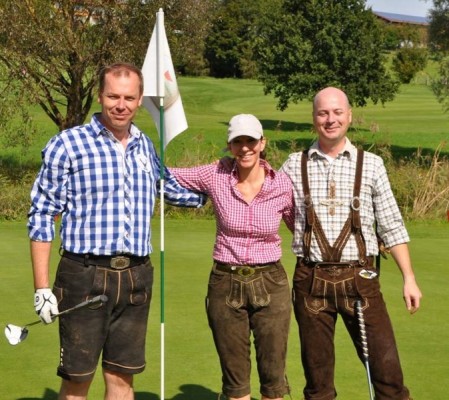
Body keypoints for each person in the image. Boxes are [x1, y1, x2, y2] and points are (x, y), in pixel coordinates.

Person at [27, 62, 206, 400]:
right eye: (113, 96)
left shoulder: (145, 145)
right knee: (77, 381)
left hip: (137, 275)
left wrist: (217, 190)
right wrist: (41, 288)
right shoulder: (68, 144)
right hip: (83, 275)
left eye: (129, 97)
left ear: (140, 101)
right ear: (100, 96)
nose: (120, 104)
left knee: (122, 381)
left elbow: (164, 186)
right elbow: (42, 214)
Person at [280, 87, 422, 400]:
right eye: (323, 113)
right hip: (310, 281)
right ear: (314, 118)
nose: (330, 120)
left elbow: (391, 225)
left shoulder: (371, 164)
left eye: (337, 112)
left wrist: (409, 279)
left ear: (349, 116)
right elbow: (266, 205)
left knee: (389, 378)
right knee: (318, 386)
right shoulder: (293, 165)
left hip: (362, 280)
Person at [170, 114, 295, 400]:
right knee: (235, 383)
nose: (244, 148)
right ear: (229, 145)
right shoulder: (215, 175)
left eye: (250, 140)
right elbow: (168, 175)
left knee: (274, 383)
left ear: (262, 143)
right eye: (237, 141)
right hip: (225, 282)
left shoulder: (282, 184)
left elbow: (301, 230)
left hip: (271, 282)